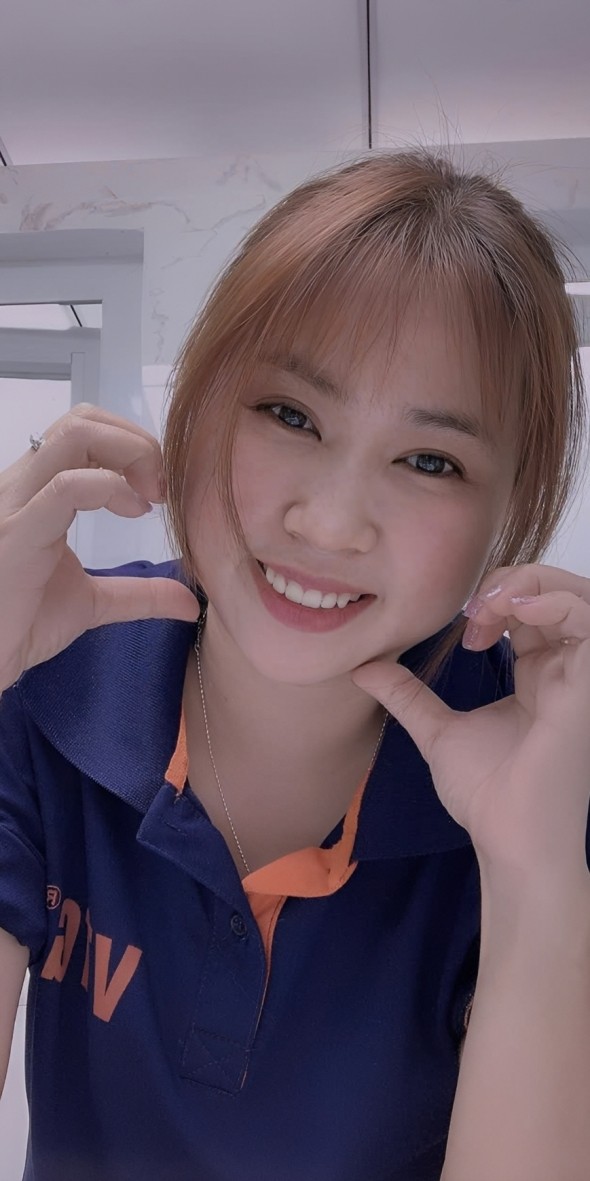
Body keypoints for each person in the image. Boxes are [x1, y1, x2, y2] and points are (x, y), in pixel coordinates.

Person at [0, 145, 589, 1181]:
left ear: (509, 511)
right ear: (202, 399)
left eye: (429, 460)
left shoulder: (538, 768)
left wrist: (535, 874)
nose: (328, 522)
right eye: (290, 414)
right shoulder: (51, 683)